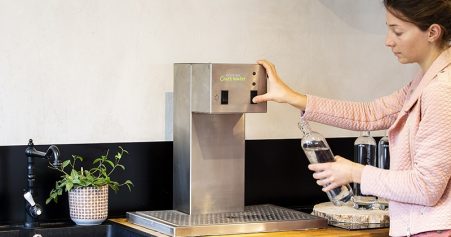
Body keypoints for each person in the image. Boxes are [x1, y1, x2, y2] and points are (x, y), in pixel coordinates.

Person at [253, 0, 451, 236]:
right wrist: (291, 96)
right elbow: (370, 114)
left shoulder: (441, 89)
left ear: (432, 32)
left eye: (397, 31)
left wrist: (355, 172)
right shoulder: (425, 81)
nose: (388, 41)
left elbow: (426, 187)